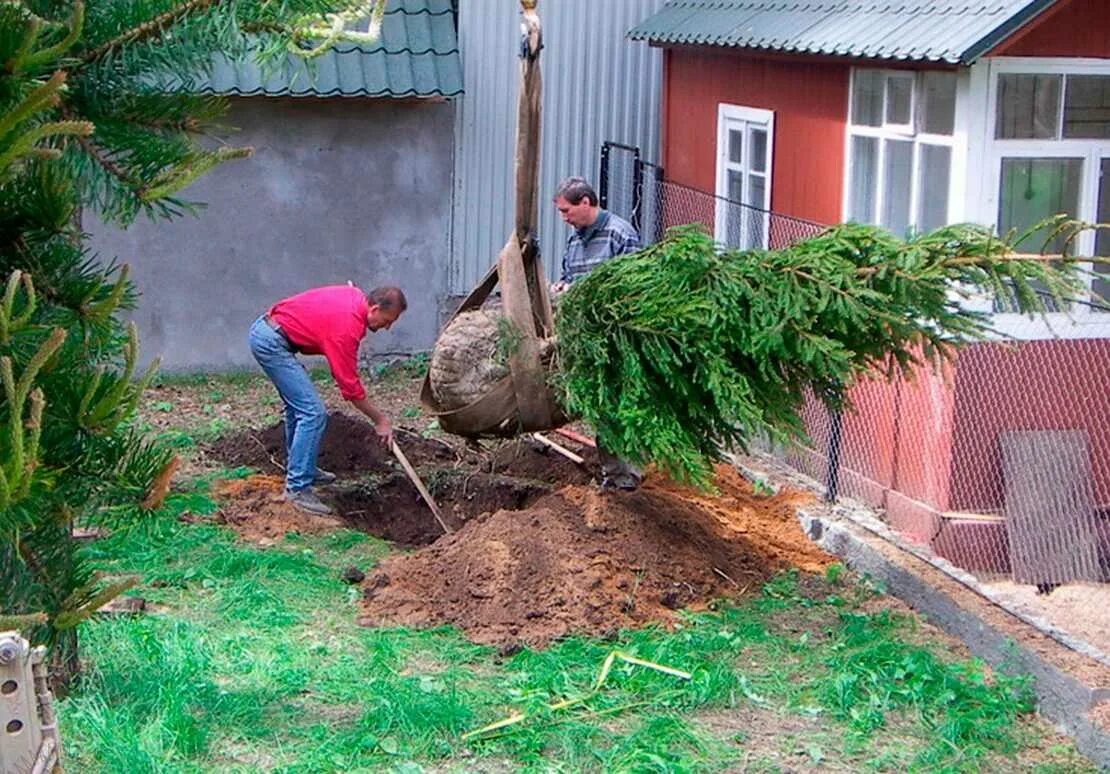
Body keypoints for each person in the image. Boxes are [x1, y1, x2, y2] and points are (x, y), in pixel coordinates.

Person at [249, 284, 407, 515]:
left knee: (299, 408)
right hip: (271, 343)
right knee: (312, 412)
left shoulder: (354, 296)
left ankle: (303, 468)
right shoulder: (346, 329)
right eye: (387, 320)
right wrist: (380, 420)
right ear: (373, 308)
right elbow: (350, 389)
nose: (388, 327)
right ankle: (298, 489)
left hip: (270, 331)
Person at [551, 176, 643, 491]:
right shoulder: (574, 241)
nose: (564, 218)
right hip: (588, 340)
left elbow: (631, 291)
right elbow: (568, 276)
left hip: (618, 339)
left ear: (586, 203)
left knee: (620, 405)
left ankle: (626, 477)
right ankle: (613, 474)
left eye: (566, 211)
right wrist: (562, 288)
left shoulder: (621, 234)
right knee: (603, 407)